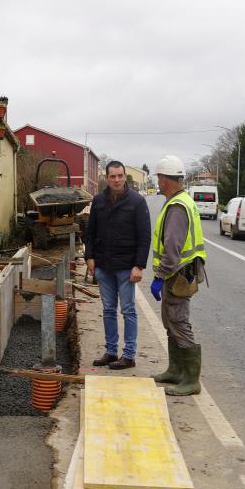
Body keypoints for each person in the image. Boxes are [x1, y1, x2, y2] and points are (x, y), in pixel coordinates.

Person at [85, 160, 151, 369]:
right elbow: (90, 232)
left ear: (125, 176)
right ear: (106, 178)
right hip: (103, 266)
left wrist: (139, 265)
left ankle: (129, 355)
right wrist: (89, 257)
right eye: (112, 176)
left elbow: (145, 237)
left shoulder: (137, 202)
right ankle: (111, 351)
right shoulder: (99, 201)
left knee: (128, 311)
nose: (116, 180)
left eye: (120, 176)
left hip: (126, 267)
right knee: (108, 310)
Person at [149, 154, 207, 395]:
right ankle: (175, 370)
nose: (158, 182)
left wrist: (159, 276)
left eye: (159, 178)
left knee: (179, 322)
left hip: (178, 275)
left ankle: (191, 380)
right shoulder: (181, 201)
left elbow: (172, 248)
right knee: (170, 321)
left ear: (165, 179)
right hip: (180, 273)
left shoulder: (177, 207)